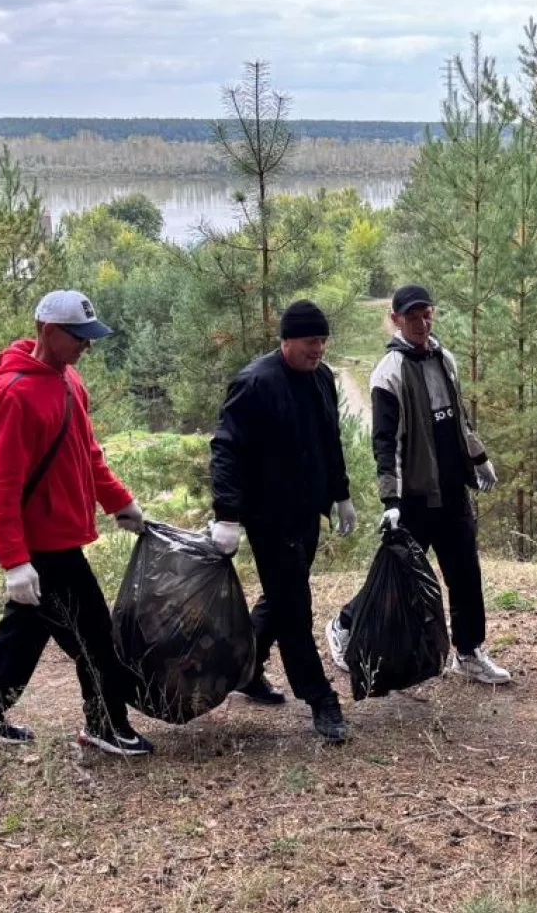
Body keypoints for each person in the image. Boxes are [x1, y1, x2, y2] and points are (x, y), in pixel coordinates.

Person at [0, 290, 153, 757]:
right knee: (95, 637)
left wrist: (121, 502)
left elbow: (88, 453)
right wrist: (15, 563)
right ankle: (106, 724)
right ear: (48, 330)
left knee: (25, 630)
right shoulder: (12, 395)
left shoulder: (69, 381)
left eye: (90, 336)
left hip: (59, 535)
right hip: (42, 545)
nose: (87, 345)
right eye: (78, 337)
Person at [325, 284, 510, 685]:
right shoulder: (388, 373)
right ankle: (345, 623)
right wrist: (390, 500)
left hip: (452, 489)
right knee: (403, 575)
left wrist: (480, 460)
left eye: (427, 314)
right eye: (412, 317)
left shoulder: (444, 359)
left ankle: (468, 651)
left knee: (465, 573)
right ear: (395, 320)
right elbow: (385, 444)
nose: (421, 323)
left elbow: (459, 420)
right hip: (414, 497)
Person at [209, 300, 357, 743]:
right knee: (295, 606)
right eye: (312, 341)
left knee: (282, 597)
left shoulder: (321, 378)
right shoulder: (255, 383)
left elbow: (330, 439)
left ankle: (246, 669)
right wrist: (227, 516)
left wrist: (341, 494)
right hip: (267, 516)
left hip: (305, 511)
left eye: (323, 341)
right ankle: (319, 698)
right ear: (288, 340)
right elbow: (226, 450)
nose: (319, 349)